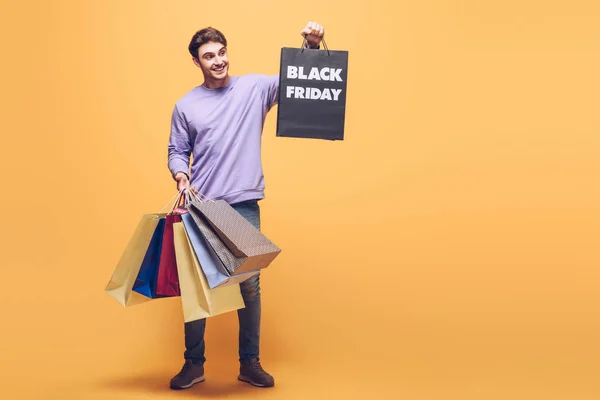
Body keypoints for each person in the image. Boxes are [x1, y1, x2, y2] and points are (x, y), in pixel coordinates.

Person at [166, 21, 325, 390]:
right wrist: (179, 174)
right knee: (197, 288)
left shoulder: (254, 88)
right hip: (201, 207)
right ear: (196, 62)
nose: (218, 61)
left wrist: (312, 46)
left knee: (249, 285)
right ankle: (193, 365)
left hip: (242, 206)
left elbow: (296, 81)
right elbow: (177, 150)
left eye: (221, 53)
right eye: (209, 56)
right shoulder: (186, 105)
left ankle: (249, 363)